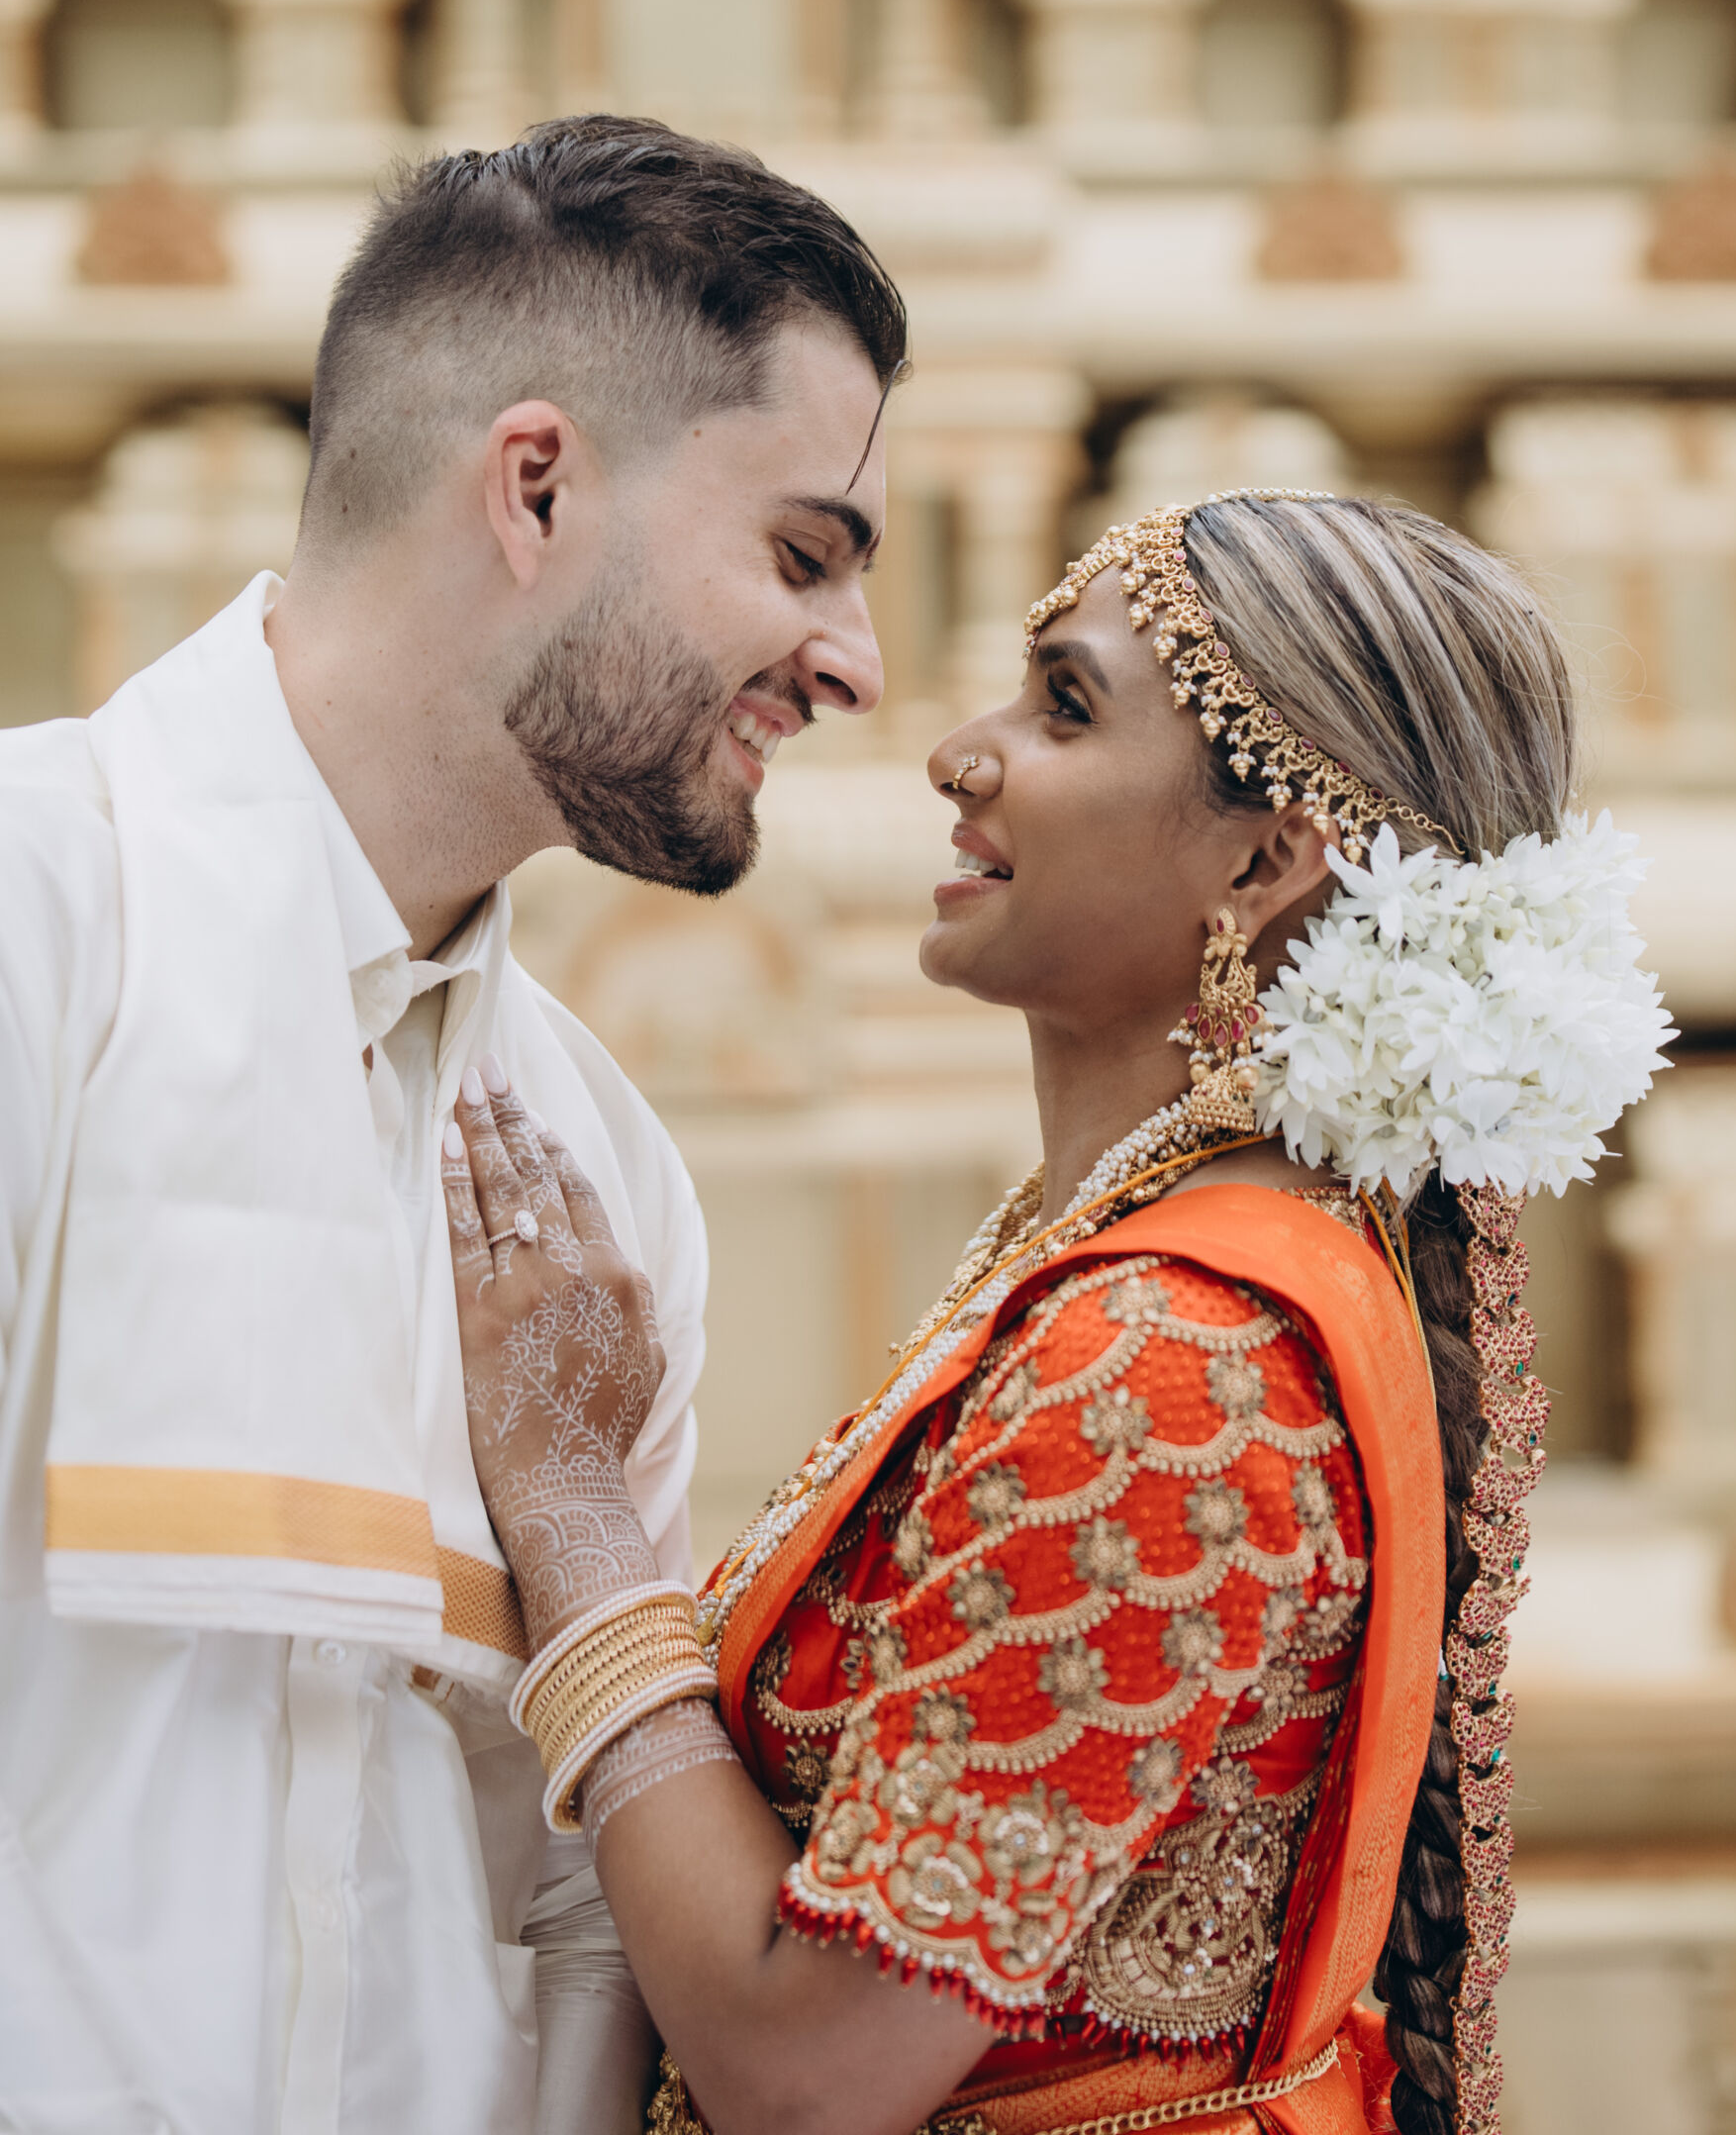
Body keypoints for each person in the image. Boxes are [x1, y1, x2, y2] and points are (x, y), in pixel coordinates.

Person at [438, 487, 1673, 2135]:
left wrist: (577, 1512)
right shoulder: (1150, 1258)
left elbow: (807, 2074)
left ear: (1263, 858)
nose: (960, 753)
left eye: (1065, 708)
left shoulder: (1173, 1364)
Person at [0, 116, 907, 2135]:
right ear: (537, 485)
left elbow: (578, 1887)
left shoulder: (600, 1163)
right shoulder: (34, 929)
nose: (856, 663)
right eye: (805, 554)